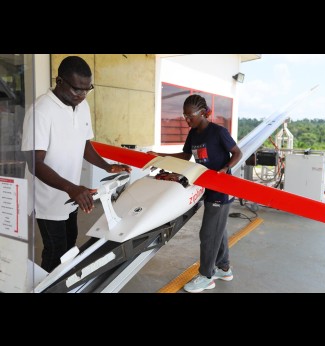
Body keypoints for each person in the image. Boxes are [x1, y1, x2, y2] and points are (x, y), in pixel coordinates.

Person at [21, 56, 131, 273]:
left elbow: (84, 144)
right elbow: (35, 163)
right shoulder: (41, 111)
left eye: (87, 89)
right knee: (55, 251)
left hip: (70, 194)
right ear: (59, 81)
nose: (82, 95)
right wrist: (71, 188)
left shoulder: (81, 106)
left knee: (70, 244)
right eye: (76, 89)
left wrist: (107, 167)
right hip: (47, 199)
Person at [148, 94, 242, 293]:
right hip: (205, 186)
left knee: (208, 234)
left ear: (203, 113)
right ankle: (224, 268)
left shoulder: (218, 132)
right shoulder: (193, 134)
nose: (187, 120)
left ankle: (206, 276)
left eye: (190, 115)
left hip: (221, 189)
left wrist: (225, 168)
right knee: (218, 230)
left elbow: (237, 153)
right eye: (184, 116)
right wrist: (159, 155)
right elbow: (185, 155)